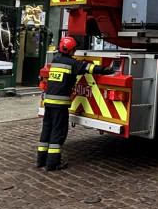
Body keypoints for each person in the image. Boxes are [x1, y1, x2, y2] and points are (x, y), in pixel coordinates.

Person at [38, 36, 116, 170]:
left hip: (49, 103)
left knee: (46, 131)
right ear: (69, 50)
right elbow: (88, 68)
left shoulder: (56, 61)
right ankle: (52, 163)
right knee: (58, 132)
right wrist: (105, 69)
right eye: (73, 49)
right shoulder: (72, 63)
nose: (75, 51)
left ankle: (41, 160)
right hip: (60, 105)